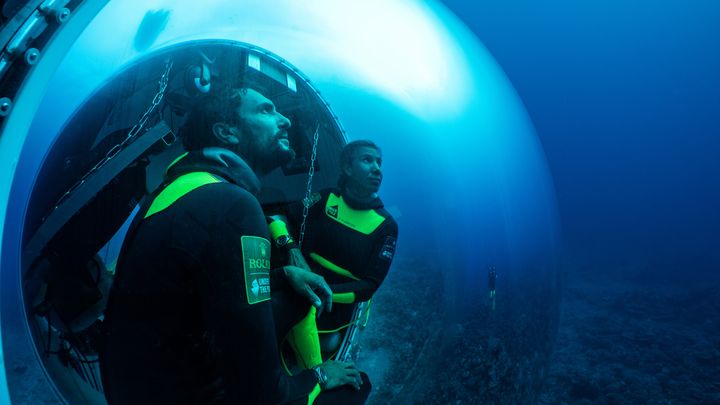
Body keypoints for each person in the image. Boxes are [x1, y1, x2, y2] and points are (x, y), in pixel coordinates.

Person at [100, 83, 371, 404]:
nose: (284, 120)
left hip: (131, 389)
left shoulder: (173, 191)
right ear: (226, 132)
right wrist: (319, 377)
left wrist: (282, 275)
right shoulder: (233, 204)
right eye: (266, 110)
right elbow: (262, 397)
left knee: (297, 295)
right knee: (356, 385)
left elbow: (192, 288)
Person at [268, 140, 398, 367]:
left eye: (379, 162)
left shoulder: (386, 225)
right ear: (347, 168)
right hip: (296, 281)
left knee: (328, 343)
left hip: (332, 305)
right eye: (367, 160)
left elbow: (369, 286)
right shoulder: (325, 197)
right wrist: (289, 246)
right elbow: (278, 217)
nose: (377, 168)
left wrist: (322, 292)